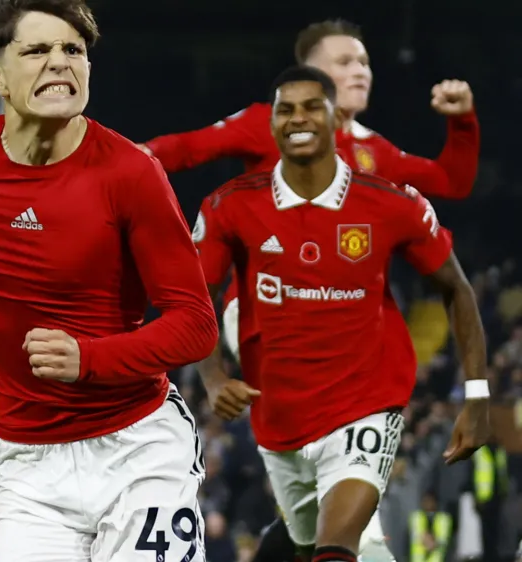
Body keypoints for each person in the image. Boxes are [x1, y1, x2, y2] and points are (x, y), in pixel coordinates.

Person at [146, 20, 482, 559]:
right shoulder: (266, 124)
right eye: (345, 62)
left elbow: (452, 182)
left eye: (365, 62)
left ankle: (340, 516)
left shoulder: (371, 151)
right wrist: (110, 166)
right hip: (259, 317)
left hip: (349, 347)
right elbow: (184, 149)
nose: (361, 72)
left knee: (338, 523)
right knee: (312, 516)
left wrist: (462, 123)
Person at [0, 1, 219, 560]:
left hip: (138, 450)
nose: (59, 62)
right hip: (29, 463)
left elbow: (196, 326)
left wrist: (89, 358)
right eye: (37, 50)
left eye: (73, 50)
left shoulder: (131, 172)